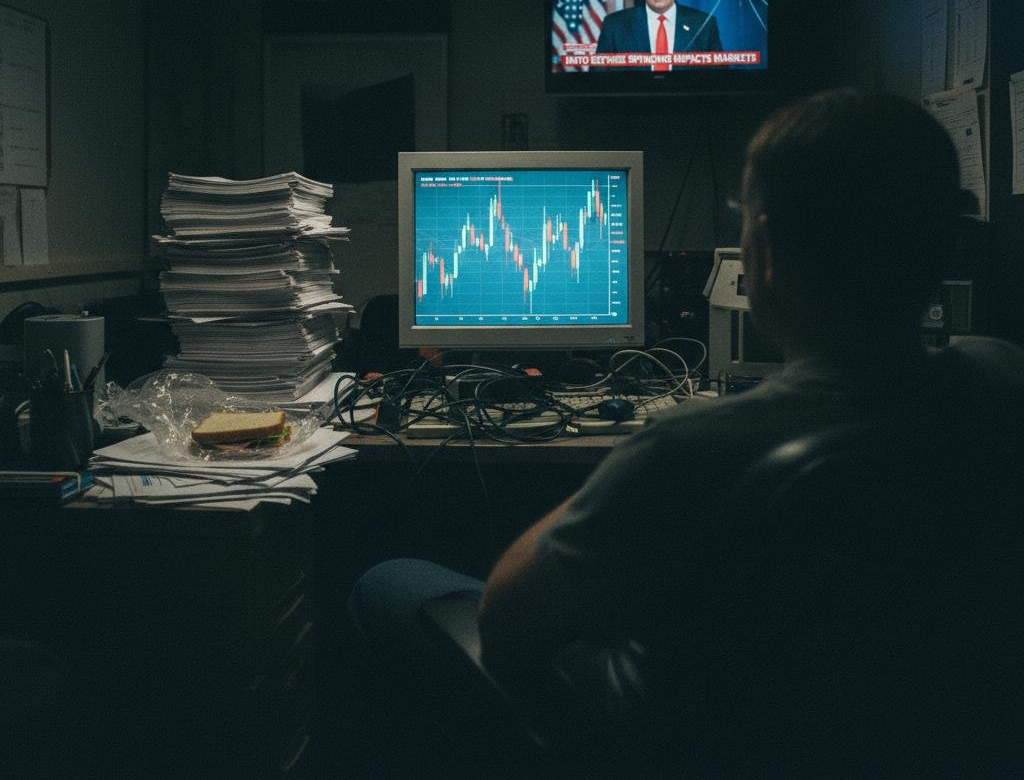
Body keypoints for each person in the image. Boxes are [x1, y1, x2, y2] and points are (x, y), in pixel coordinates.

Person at [348, 88, 1024, 776]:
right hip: (917, 743)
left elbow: (506, 627)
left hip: (680, 742)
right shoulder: (1004, 380)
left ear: (761, 251)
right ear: (944, 244)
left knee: (389, 579)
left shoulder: (689, 447)